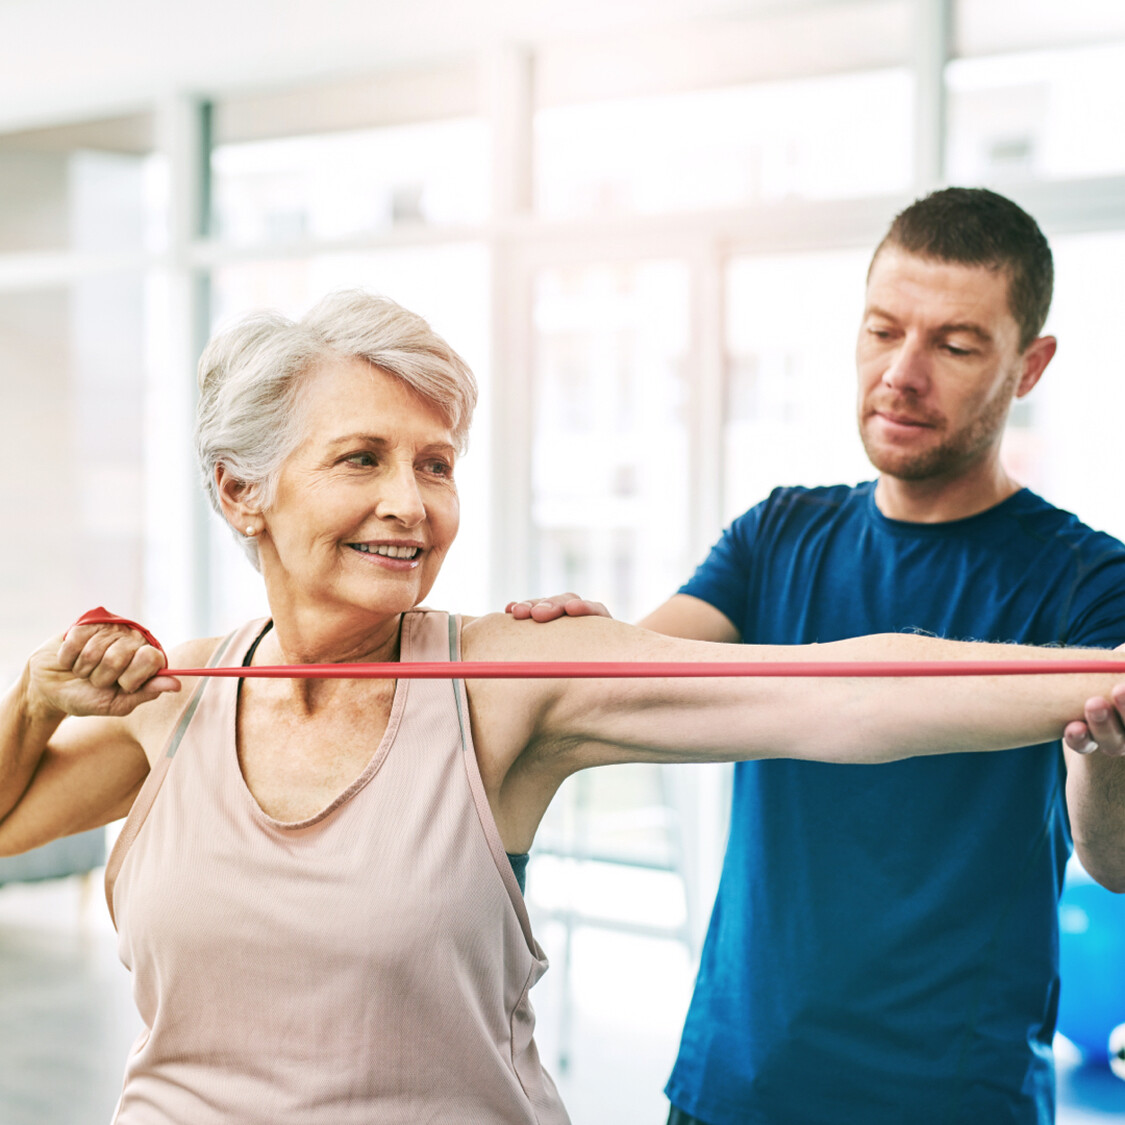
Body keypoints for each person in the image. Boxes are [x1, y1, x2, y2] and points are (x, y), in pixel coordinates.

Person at [1, 291, 1122, 1125]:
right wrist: (32, 702)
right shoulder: (178, 697)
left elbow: (834, 692)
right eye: (363, 458)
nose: (411, 505)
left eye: (435, 465)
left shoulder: (507, 679)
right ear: (240, 488)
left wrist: (1108, 672)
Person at [509, 187, 1125, 1124]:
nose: (901, 375)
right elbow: (628, 683)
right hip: (732, 1081)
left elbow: (1112, 858)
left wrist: (1099, 752)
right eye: (882, 331)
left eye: (954, 346)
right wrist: (591, 638)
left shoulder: (1087, 581)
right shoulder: (778, 532)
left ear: (1028, 365)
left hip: (949, 1099)